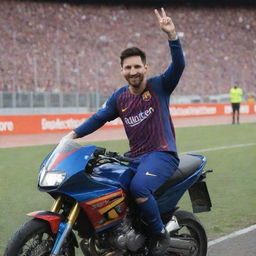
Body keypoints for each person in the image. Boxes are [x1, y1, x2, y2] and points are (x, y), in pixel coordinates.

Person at [62, 8, 185, 255]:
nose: (133, 71)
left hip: (162, 154)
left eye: (137, 66)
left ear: (146, 68)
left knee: (139, 188)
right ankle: (120, 235)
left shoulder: (160, 86)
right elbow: (98, 118)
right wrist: (71, 136)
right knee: (108, 185)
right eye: (128, 68)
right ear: (122, 71)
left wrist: (172, 36)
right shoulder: (120, 97)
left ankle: (159, 234)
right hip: (135, 157)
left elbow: (179, 65)